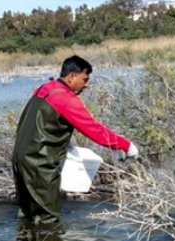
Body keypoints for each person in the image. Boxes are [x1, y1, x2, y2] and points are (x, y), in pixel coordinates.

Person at [12, 55, 139, 224]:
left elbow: (43, 123)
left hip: (20, 160)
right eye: (84, 79)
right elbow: (94, 130)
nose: (87, 84)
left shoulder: (45, 87)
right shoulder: (65, 99)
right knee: (47, 219)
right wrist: (126, 145)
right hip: (39, 165)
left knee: (27, 215)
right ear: (71, 77)